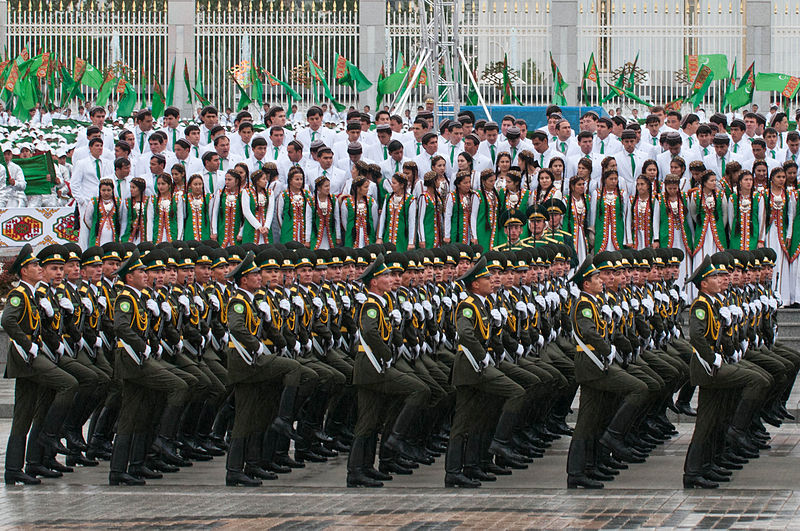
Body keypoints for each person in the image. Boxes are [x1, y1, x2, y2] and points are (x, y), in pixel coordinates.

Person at [346, 254, 430, 487]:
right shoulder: (371, 305)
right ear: (373, 282)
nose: (389, 278)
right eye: (384, 275)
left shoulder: (380, 304)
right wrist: (387, 354)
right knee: (418, 389)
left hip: (373, 369)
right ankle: (394, 440)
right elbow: (371, 333)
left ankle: (363, 468)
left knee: (370, 421)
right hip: (371, 368)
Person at [566, 253, 649, 489]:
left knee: (589, 420)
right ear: (586, 284)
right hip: (592, 365)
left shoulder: (595, 302)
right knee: (638, 388)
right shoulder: (583, 304)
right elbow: (589, 332)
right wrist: (607, 347)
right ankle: (614, 435)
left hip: (596, 364)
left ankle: (583, 469)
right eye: (596, 278)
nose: (601, 281)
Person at [3, 245, 79, 485]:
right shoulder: (20, 293)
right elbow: (7, 320)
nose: (39, 269)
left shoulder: (32, 293)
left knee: (23, 416)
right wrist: (28, 344)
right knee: (69, 383)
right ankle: (49, 435)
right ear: (24, 271)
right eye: (35, 265)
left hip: (32, 356)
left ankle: (15, 468)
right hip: (26, 358)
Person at [589, 170, 627, 253]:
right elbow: (593, 214)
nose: (614, 181)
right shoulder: (597, 193)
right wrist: (592, 231)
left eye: (615, 179)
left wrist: (627, 237)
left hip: (618, 230)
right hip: (601, 231)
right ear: (605, 180)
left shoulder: (622, 194)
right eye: (611, 179)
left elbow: (625, 216)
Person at [377, 172, 417, 252]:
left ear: (402, 185)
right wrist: (379, 237)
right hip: (388, 236)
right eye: (392, 182)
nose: (392, 185)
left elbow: (411, 222)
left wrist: (411, 242)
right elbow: (383, 218)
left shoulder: (410, 200)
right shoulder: (388, 197)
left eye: (394, 183)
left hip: (402, 238)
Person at [275, 166, 312, 246]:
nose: (300, 182)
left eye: (301, 179)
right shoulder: (283, 195)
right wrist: (284, 227)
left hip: (304, 231)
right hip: (288, 231)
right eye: (297, 179)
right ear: (290, 181)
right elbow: (279, 215)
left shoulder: (307, 194)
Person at [728, 170, 764, 251]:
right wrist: (732, 235)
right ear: (740, 182)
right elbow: (730, 219)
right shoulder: (733, 198)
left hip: (753, 236)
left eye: (751, 180)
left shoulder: (758, 197)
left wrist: (761, 240)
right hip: (736, 236)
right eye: (746, 180)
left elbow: (761, 219)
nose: (749, 182)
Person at [340, 175, 378, 248]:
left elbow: (374, 220)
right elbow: (345, 221)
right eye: (365, 187)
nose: (367, 189)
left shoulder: (371, 202)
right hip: (352, 235)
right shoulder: (346, 202)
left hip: (368, 235)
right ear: (358, 188)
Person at [242, 170, 276, 245]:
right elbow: (246, 211)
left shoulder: (269, 193)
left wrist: (266, 226)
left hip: (266, 228)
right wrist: (258, 226)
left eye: (266, 179)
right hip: (251, 227)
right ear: (257, 181)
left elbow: (270, 211)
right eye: (263, 179)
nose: (266, 181)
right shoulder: (247, 192)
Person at [212, 170, 244, 247]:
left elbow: (245, 216)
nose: (226, 182)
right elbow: (215, 213)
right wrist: (214, 232)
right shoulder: (220, 193)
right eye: (225, 179)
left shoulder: (242, 193)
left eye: (229, 180)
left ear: (236, 181)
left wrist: (241, 233)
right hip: (222, 233)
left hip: (236, 233)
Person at [444, 171, 478, 245]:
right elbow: (447, 216)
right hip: (456, 231)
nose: (468, 185)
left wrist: (474, 235)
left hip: (470, 232)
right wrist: (447, 235)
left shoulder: (473, 195)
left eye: (469, 182)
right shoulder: (452, 196)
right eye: (465, 183)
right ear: (458, 184)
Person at [86, 178, 122, 246]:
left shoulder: (118, 202)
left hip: (112, 235)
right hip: (97, 235)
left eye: (109, 190)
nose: (106, 193)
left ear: (112, 190)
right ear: (99, 190)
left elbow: (120, 218)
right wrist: (94, 227)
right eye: (103, 190)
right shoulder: (94, 202)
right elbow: (87, 219)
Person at [471, 169, 501, 251]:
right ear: (483, 181)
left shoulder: (495, 194)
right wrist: (474, 236)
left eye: (494, 180)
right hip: (482, 229)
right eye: (490, 181)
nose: (493, 183)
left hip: (494, 229)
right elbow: (473, 216)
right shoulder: (477, 194)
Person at [626, 175, 657, 249]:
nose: (640, 187)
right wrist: (629, 240)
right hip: (636, 237)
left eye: (642, 184)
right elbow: (628, 221)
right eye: (638, 184)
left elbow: (656, 221)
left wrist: (655, 239)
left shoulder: (654, 201)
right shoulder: (632, 200)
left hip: (649, 236)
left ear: (648, 186)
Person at [309, 174, 339, 250]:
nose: (328, 188)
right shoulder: (311, 201)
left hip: (330, 235)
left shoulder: (333, 199)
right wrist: (307, 240)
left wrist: (338, 236)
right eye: (326, 186)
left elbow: (337, 219)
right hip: (316, 235)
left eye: (329, 186)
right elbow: (308, 220)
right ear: (319, 188)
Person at [152, 173, 183, 243]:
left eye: (163, 184)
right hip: (157, 236)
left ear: (169, 185)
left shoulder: (177, 198)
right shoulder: (153, 199)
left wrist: (179, 238)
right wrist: (149, 238)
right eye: (158, 184)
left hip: (173, 235)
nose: (160, 186)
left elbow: (180, 219)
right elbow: (150, 220)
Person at [121, 177, 152, 245]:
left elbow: (150, 219)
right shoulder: (127, 202)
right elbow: (124, 221)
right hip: (130, 234)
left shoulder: (149, 201)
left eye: (134, 187)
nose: (131, 190)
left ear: (140, 189)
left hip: (144, 235)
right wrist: (121, 236)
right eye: (130, 187)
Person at [183, 174, 213, 241]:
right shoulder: (185, 198)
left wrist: (212, 232)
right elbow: (183, 216)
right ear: (190, 186)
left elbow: (211, 216)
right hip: (189, 233)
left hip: (205, 232)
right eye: (195, 184)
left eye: (200, 184)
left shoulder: (208, 197)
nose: (198, 187)